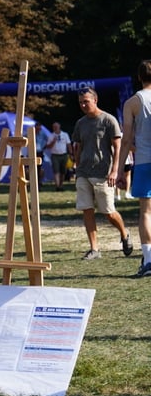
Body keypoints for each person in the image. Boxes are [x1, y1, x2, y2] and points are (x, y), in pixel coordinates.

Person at [72, 87, 132, 260]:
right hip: (84, 172)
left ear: (95, 100)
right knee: (87, 210)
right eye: (81, 102)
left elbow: (118, 147)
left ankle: (124, 233)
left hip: (103, 173)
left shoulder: (108, 120)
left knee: (108, 213)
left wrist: (115, 171)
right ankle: (94, 249)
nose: (83, 105)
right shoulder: (80, 123)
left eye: (86, 101)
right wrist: (77, 168)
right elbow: (79, 147)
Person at [118, 60, 151, 276]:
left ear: (139, 77)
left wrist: (119, 169)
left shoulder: (132, 102)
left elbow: (127, 138)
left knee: (146, 212)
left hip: (145, 160)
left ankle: (148, 260)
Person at [47, 122, 71, 191]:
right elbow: (48, 146)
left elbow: (68, 144)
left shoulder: (65, 135)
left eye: (56, 127)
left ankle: (61, 184)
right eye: (54, 127)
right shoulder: (51, 136)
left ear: (59, 127)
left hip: (63, 154)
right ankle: (57, 186)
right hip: (55, 155)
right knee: (56, 171)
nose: (55, 128)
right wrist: (53, 141)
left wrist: (71, 153)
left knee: (63, 171)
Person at [34, 122, 53, 187]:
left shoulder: (42, 133)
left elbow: (48, 139)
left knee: (39, 167)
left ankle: (39, 182)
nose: (39, 129)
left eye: (40, 128)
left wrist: (44, 145)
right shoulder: (31, 133)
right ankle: (33, 181)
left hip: (40, 152)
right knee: (33, 168)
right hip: (33, 152)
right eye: (37, 128)